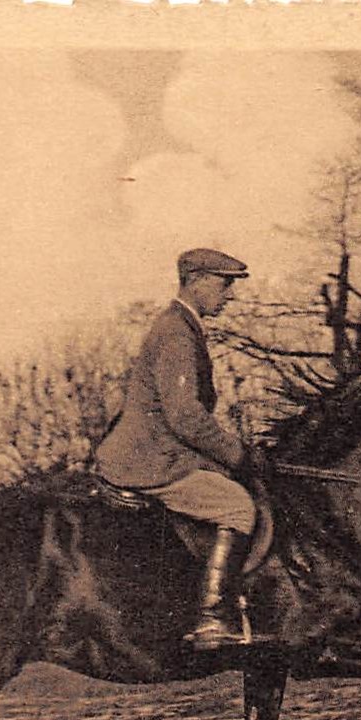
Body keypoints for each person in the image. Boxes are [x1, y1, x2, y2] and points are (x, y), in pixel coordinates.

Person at [94, 247, 264, 650]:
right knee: (237, 505)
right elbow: (184, 416)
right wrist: (237, 455)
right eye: (224, 285)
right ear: (197, 280)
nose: (230, 296)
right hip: (149, 459)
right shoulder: (176, 331)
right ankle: (211, 619)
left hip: (160, 451)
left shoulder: (182, 328)